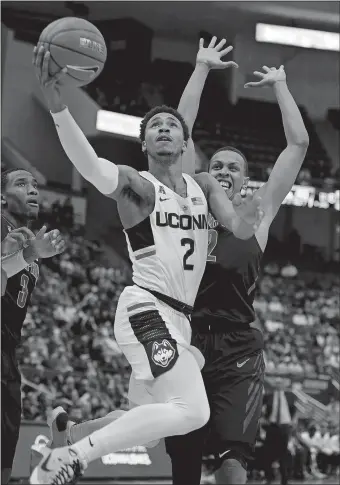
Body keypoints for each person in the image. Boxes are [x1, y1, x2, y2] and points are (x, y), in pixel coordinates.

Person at [30, 44, 263, 485]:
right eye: (154, 126)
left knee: (152, 423)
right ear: (144, 142)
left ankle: (67, 434)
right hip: (146, 308)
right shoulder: (139, 187)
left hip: (181, 321)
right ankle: (71, 458)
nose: (164, 130)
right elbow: (93, 167)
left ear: (185, 140)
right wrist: (59, 108)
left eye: (171, 126)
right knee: (192, 410)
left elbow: (238, 225)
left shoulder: (204, 184)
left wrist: (248, 219)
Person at [163, 37, 309, 485]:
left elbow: (298, 144)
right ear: (205, 173)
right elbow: (178, 135)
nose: (224, 172)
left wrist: (281, 86)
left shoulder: (257, 215)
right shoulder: (187, 204)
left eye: (234, 168)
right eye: (218, 165)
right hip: (186, 340)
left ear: (247, 181)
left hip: (238, 349)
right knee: (185, 466)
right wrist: (202, 69)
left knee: (232, 462)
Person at [1, 168, 66, 484]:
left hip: (8, 350)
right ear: (2, 196)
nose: (33, 190)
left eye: (35, 184)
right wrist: (27, 254)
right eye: (21, 183)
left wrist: (31, 255)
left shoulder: (29, 242)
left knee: (5, 457)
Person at [262, 379, 297, 485]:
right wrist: (263, 419)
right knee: (268, 453)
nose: (278, 385)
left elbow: (294, 411)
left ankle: (284, 479)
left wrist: (292, 423)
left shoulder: (290, 396)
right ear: (273, 385)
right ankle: (269, 477)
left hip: (284, 427)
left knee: (283, 454)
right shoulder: (268, 396)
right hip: (271, 427)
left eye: (280, 383)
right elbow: (261, 410)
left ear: (284, 384)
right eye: (276, 383)